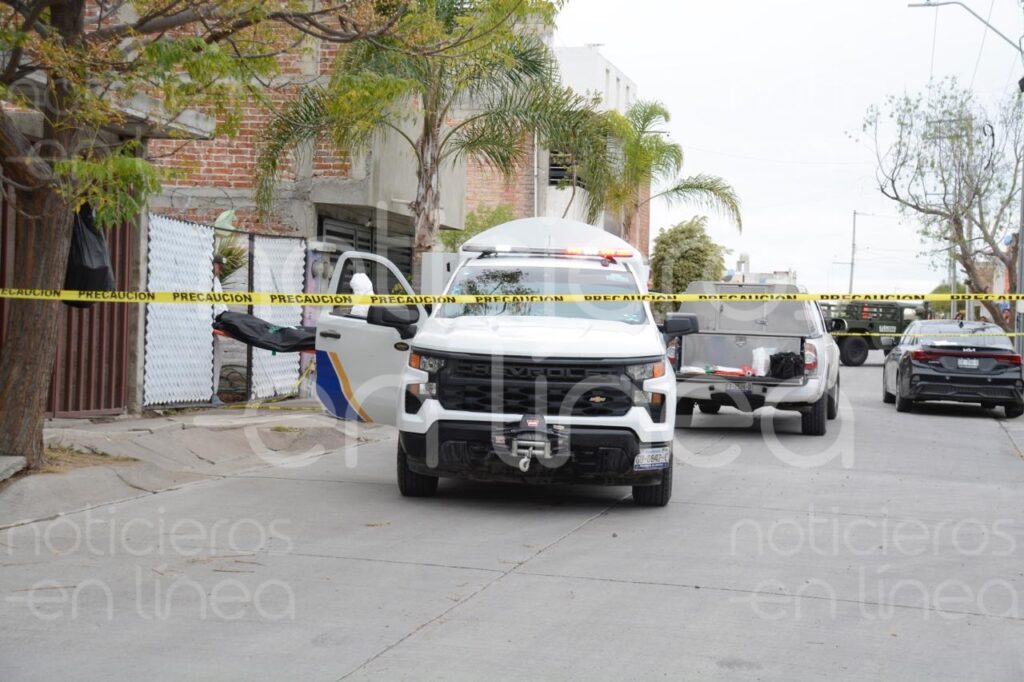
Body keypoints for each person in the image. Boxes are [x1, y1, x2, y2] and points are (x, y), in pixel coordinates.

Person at [212, 255, 228, 405]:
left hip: (217, 326)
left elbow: (221, 306)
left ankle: (213, 392)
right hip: (211, 326)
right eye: (219, 266)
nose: (220, 270)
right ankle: (211, 393)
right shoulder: (208, 282)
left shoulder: (216, 282)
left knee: (217, 359)